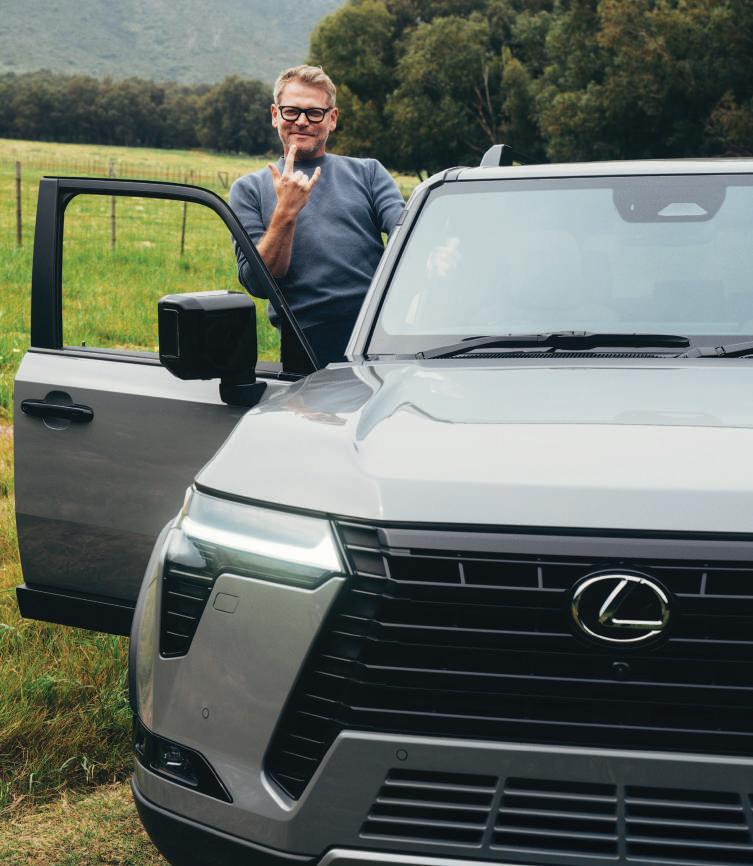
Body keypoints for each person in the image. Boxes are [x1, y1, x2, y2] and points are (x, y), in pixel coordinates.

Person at [229, 65, 405, 371]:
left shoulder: (369, 173)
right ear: (275, 115)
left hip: (377, 330)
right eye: (291, 111)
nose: (302, 121)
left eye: (314, 113)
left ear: (332, 119)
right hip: (306, 340)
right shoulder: (248, 190)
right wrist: (286, 212)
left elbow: (408, 235)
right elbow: (259, 283)